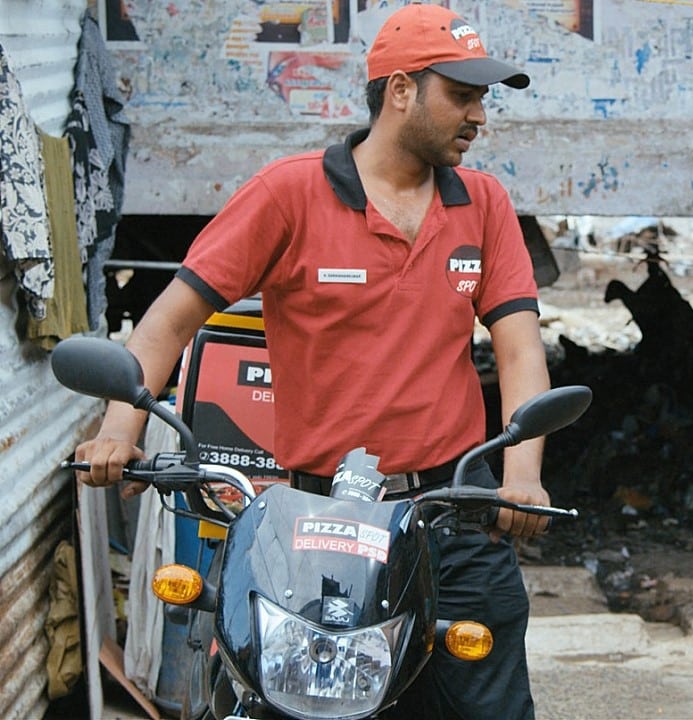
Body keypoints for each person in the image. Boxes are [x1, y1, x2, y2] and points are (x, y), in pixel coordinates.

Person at [73, 4, 549, 718]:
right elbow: (168, 322)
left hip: (452, 512)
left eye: (483, 98)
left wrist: (522, 477)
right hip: (316, 519)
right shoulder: (290, 194)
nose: (479, 115)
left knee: (489, 704)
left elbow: (519, 348)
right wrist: (120, 430)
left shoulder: (482, 203)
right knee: (288, 698)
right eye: (462, 93)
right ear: (400, 91)